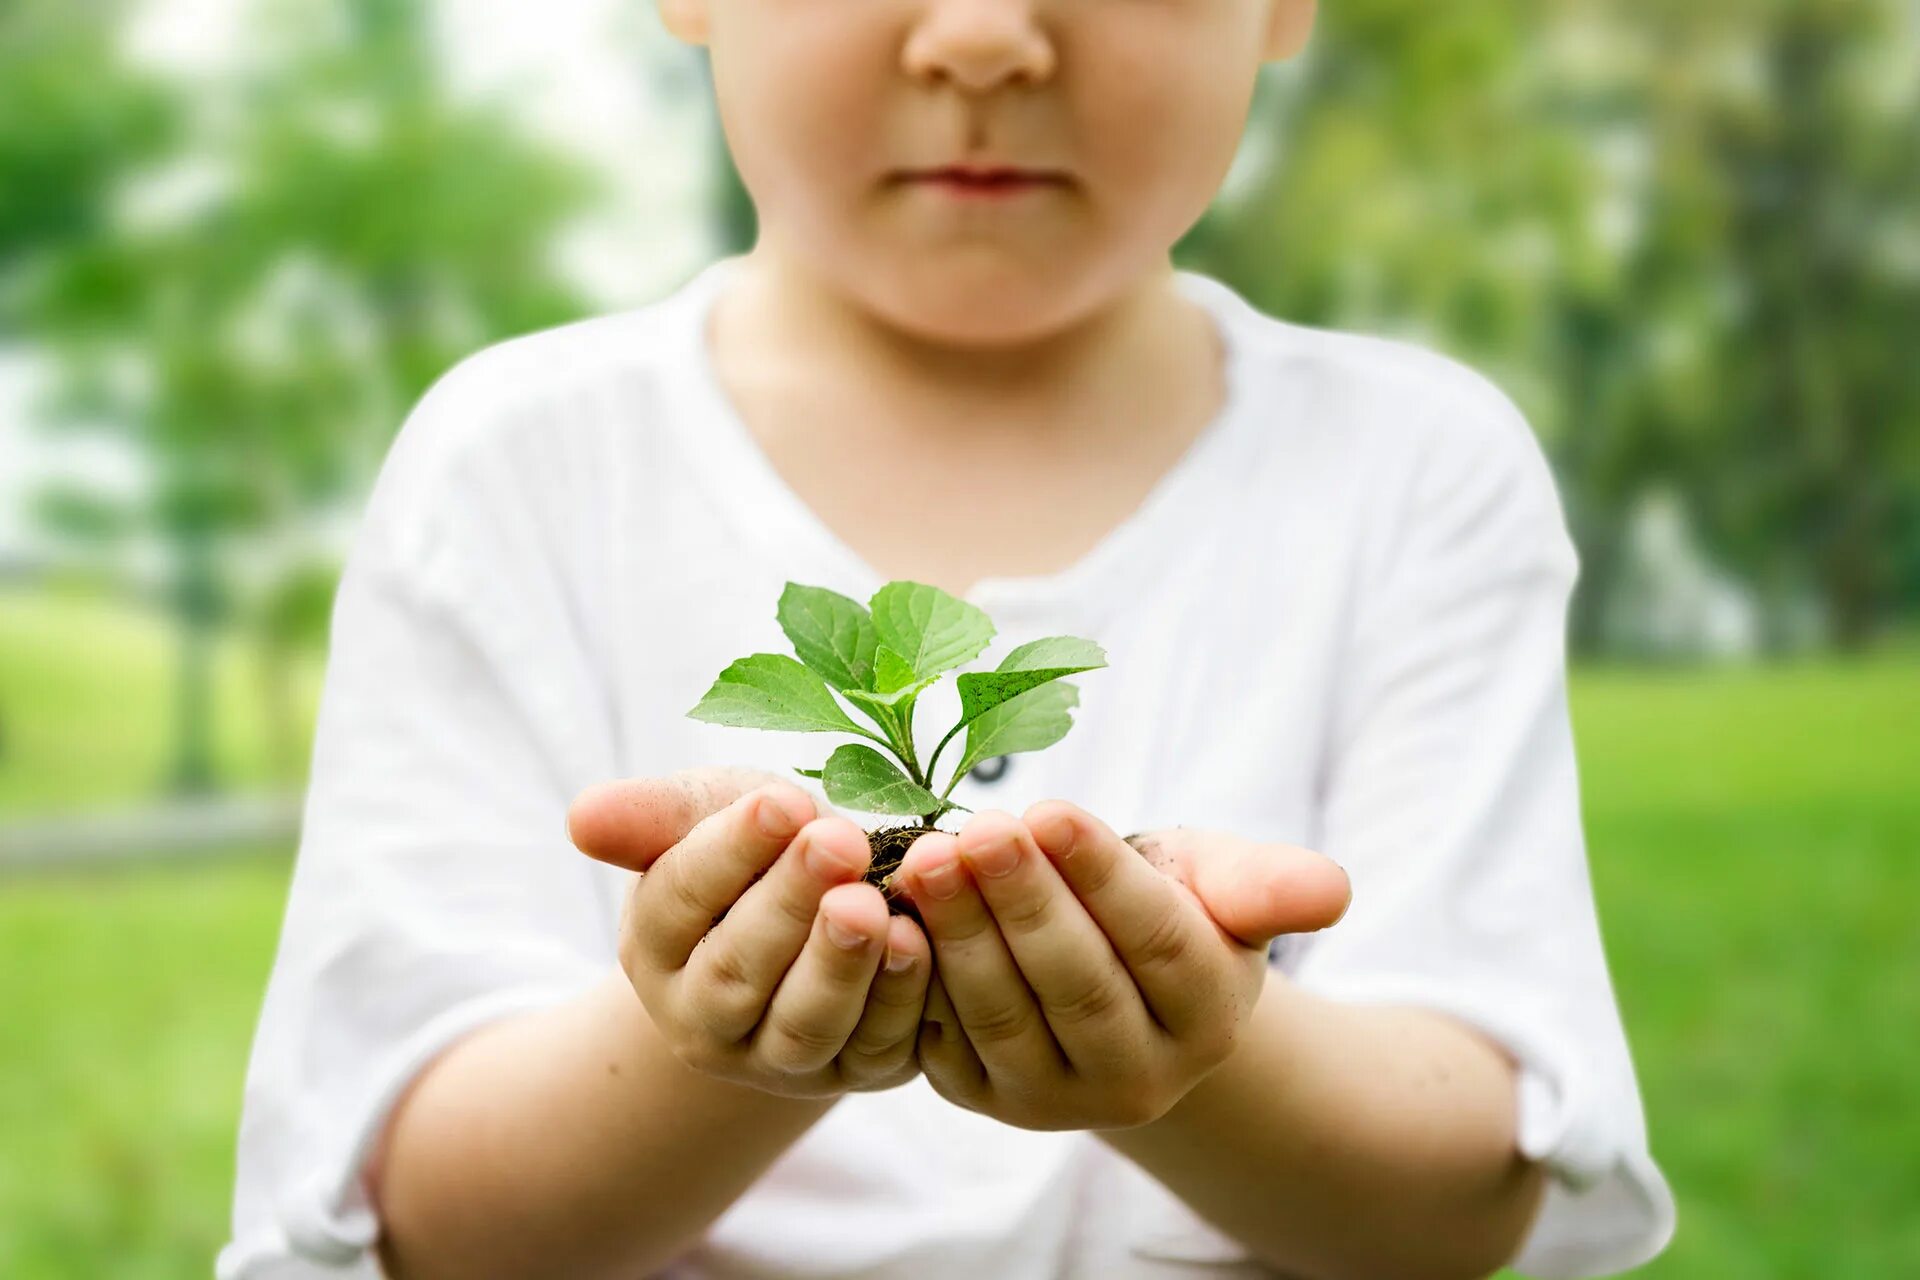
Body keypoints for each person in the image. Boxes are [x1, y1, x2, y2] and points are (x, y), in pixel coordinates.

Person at [217, 0, 1677, 1274]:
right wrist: (723, 1040)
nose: (984, 34)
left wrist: (1199, 1044)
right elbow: (428, 1227)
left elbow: (1464, 1196)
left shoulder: (1415, 468)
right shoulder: (517, 466)